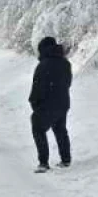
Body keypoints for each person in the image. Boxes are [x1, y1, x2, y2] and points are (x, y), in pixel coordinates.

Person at [30, 36, 72, 172]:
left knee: (38, 128)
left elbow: (37, 87)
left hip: (47, 105)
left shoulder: (43, 65)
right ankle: (66, 159)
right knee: (60, 129)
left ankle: (43, 162)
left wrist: (34, 103)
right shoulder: (65, 63)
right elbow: (68, 83)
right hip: (63, 103)